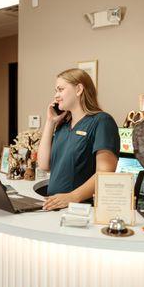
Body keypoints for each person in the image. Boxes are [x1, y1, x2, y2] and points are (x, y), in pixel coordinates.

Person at [37, 68, 120, 211]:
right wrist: (50, 122)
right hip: (55, 206)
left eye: (61, 89)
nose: (56, 96)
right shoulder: (62, 126)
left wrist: (72, 197)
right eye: (55, 91)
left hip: (81, 209)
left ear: (79, 89)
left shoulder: (102, 121)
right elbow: (44, 164)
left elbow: (106, 172)